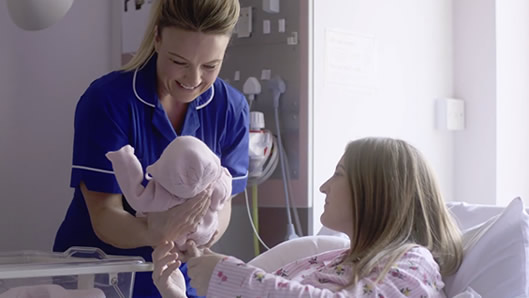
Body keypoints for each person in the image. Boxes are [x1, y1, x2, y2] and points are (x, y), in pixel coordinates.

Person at [53, 0, 248, 297]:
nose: (193, 80)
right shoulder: (108, 101)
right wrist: (155, 231)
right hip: (97, 277)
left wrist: (199, 234)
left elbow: (222, 207)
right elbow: (105, 214)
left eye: (210, 65)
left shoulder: (230, 109)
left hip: (176, 276)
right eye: (179, 62)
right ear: (157, 38)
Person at [152, 137, 463, 297]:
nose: (324, 186)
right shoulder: (327, 261)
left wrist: (227, 277)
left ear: (377, 192)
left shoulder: (413, 262)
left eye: (339, 174)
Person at [105, 135, 232, 249]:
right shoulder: (215, 185)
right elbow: (223, 200)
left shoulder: (162, 194)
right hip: (204, 234)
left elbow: (136, 198)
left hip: (171, 239)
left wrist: (123, 160)